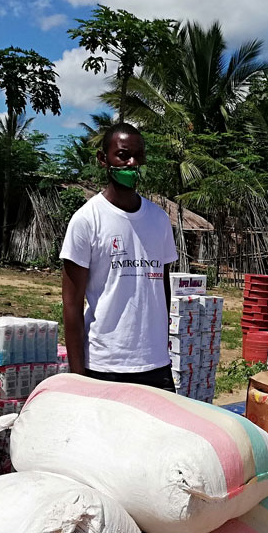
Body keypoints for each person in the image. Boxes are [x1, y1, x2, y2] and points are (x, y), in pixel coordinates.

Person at [60, 122, 177, 391]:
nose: (132, 163)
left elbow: (163, 287)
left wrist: (160, 344)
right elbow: (72, 307)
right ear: (103, 160)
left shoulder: (159, 220)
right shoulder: (87, 220)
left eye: (138, 156)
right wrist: (79, 380)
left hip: (155, 365)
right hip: (105, 366)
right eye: (123, 155)